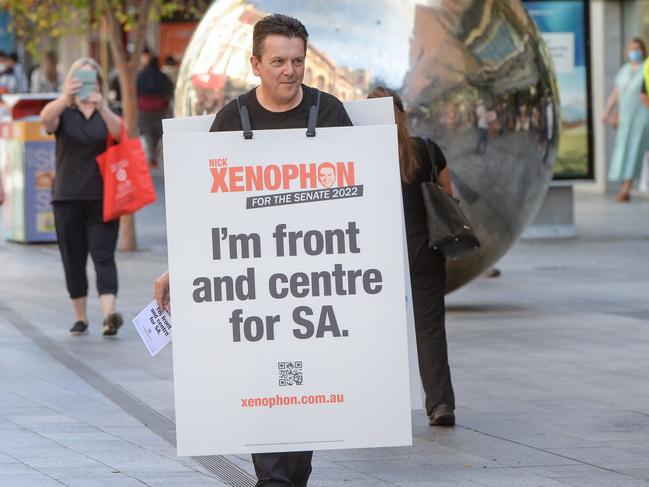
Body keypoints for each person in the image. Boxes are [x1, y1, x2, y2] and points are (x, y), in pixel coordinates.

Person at [154, 14, 352, 487]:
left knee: (301, 427)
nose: (290, 71)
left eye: (298, 61)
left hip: (314, 292)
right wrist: (178, 267)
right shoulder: (230, 120)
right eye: (279, 61)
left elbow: (361, 201)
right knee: (271, 429)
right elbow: (207, 207)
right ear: (256, 65)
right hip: (253, 297)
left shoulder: (330, 115)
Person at [368, 87, 456, 427]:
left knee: (376, 330)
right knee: (430, 329)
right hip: (425, 253)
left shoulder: (364, 155)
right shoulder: (427, 150)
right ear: (402, 114)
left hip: (381, 255)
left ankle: (378, 402)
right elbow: (448, 197)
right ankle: (440, 404)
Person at [40, 57, 125, 337]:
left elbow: (120, 132)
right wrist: (66, 97)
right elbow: (46, 120)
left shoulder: (105, 112)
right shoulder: (63, 111)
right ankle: (80, 317)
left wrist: (101, 106)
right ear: (71, 81)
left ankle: (108, 315)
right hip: (67, 197)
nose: (86, 85)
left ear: (99, 83)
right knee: (73, 259)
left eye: (92, 80)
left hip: (104, 197)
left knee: (103, 255)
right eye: (80, 79)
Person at [602, 38, 649, 202]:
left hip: (643, 115)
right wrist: (607, 111)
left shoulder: (646, 69)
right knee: (624, 149)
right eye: (632, 49)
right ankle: (626, 185)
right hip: (626, 116)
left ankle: (626, 188)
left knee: (636, 149)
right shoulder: (624, 70)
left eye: (638, 48)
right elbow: (616, 93)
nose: (635, 52)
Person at [137, 52, 173, 166]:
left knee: (148, 133)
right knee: (158, 133)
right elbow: (169, 90)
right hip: (159, 109)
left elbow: (135, 90)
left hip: (144, 109)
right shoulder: (162, 76)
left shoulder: (141, 75)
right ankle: (153, 155)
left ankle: (152, 156)